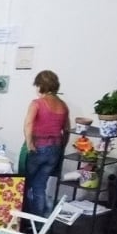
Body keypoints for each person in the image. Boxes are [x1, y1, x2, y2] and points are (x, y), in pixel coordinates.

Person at [24, 70, 69, 218]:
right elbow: (66, 129)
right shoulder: (63, 105)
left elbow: (29, 124)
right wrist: (62, 147)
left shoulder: (37, 104)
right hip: (55, 149)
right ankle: (37, 222)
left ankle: (22, 220)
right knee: (40, 185)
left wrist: (29, 144)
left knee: (24, 184)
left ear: (41, 85)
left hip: (39, 147)